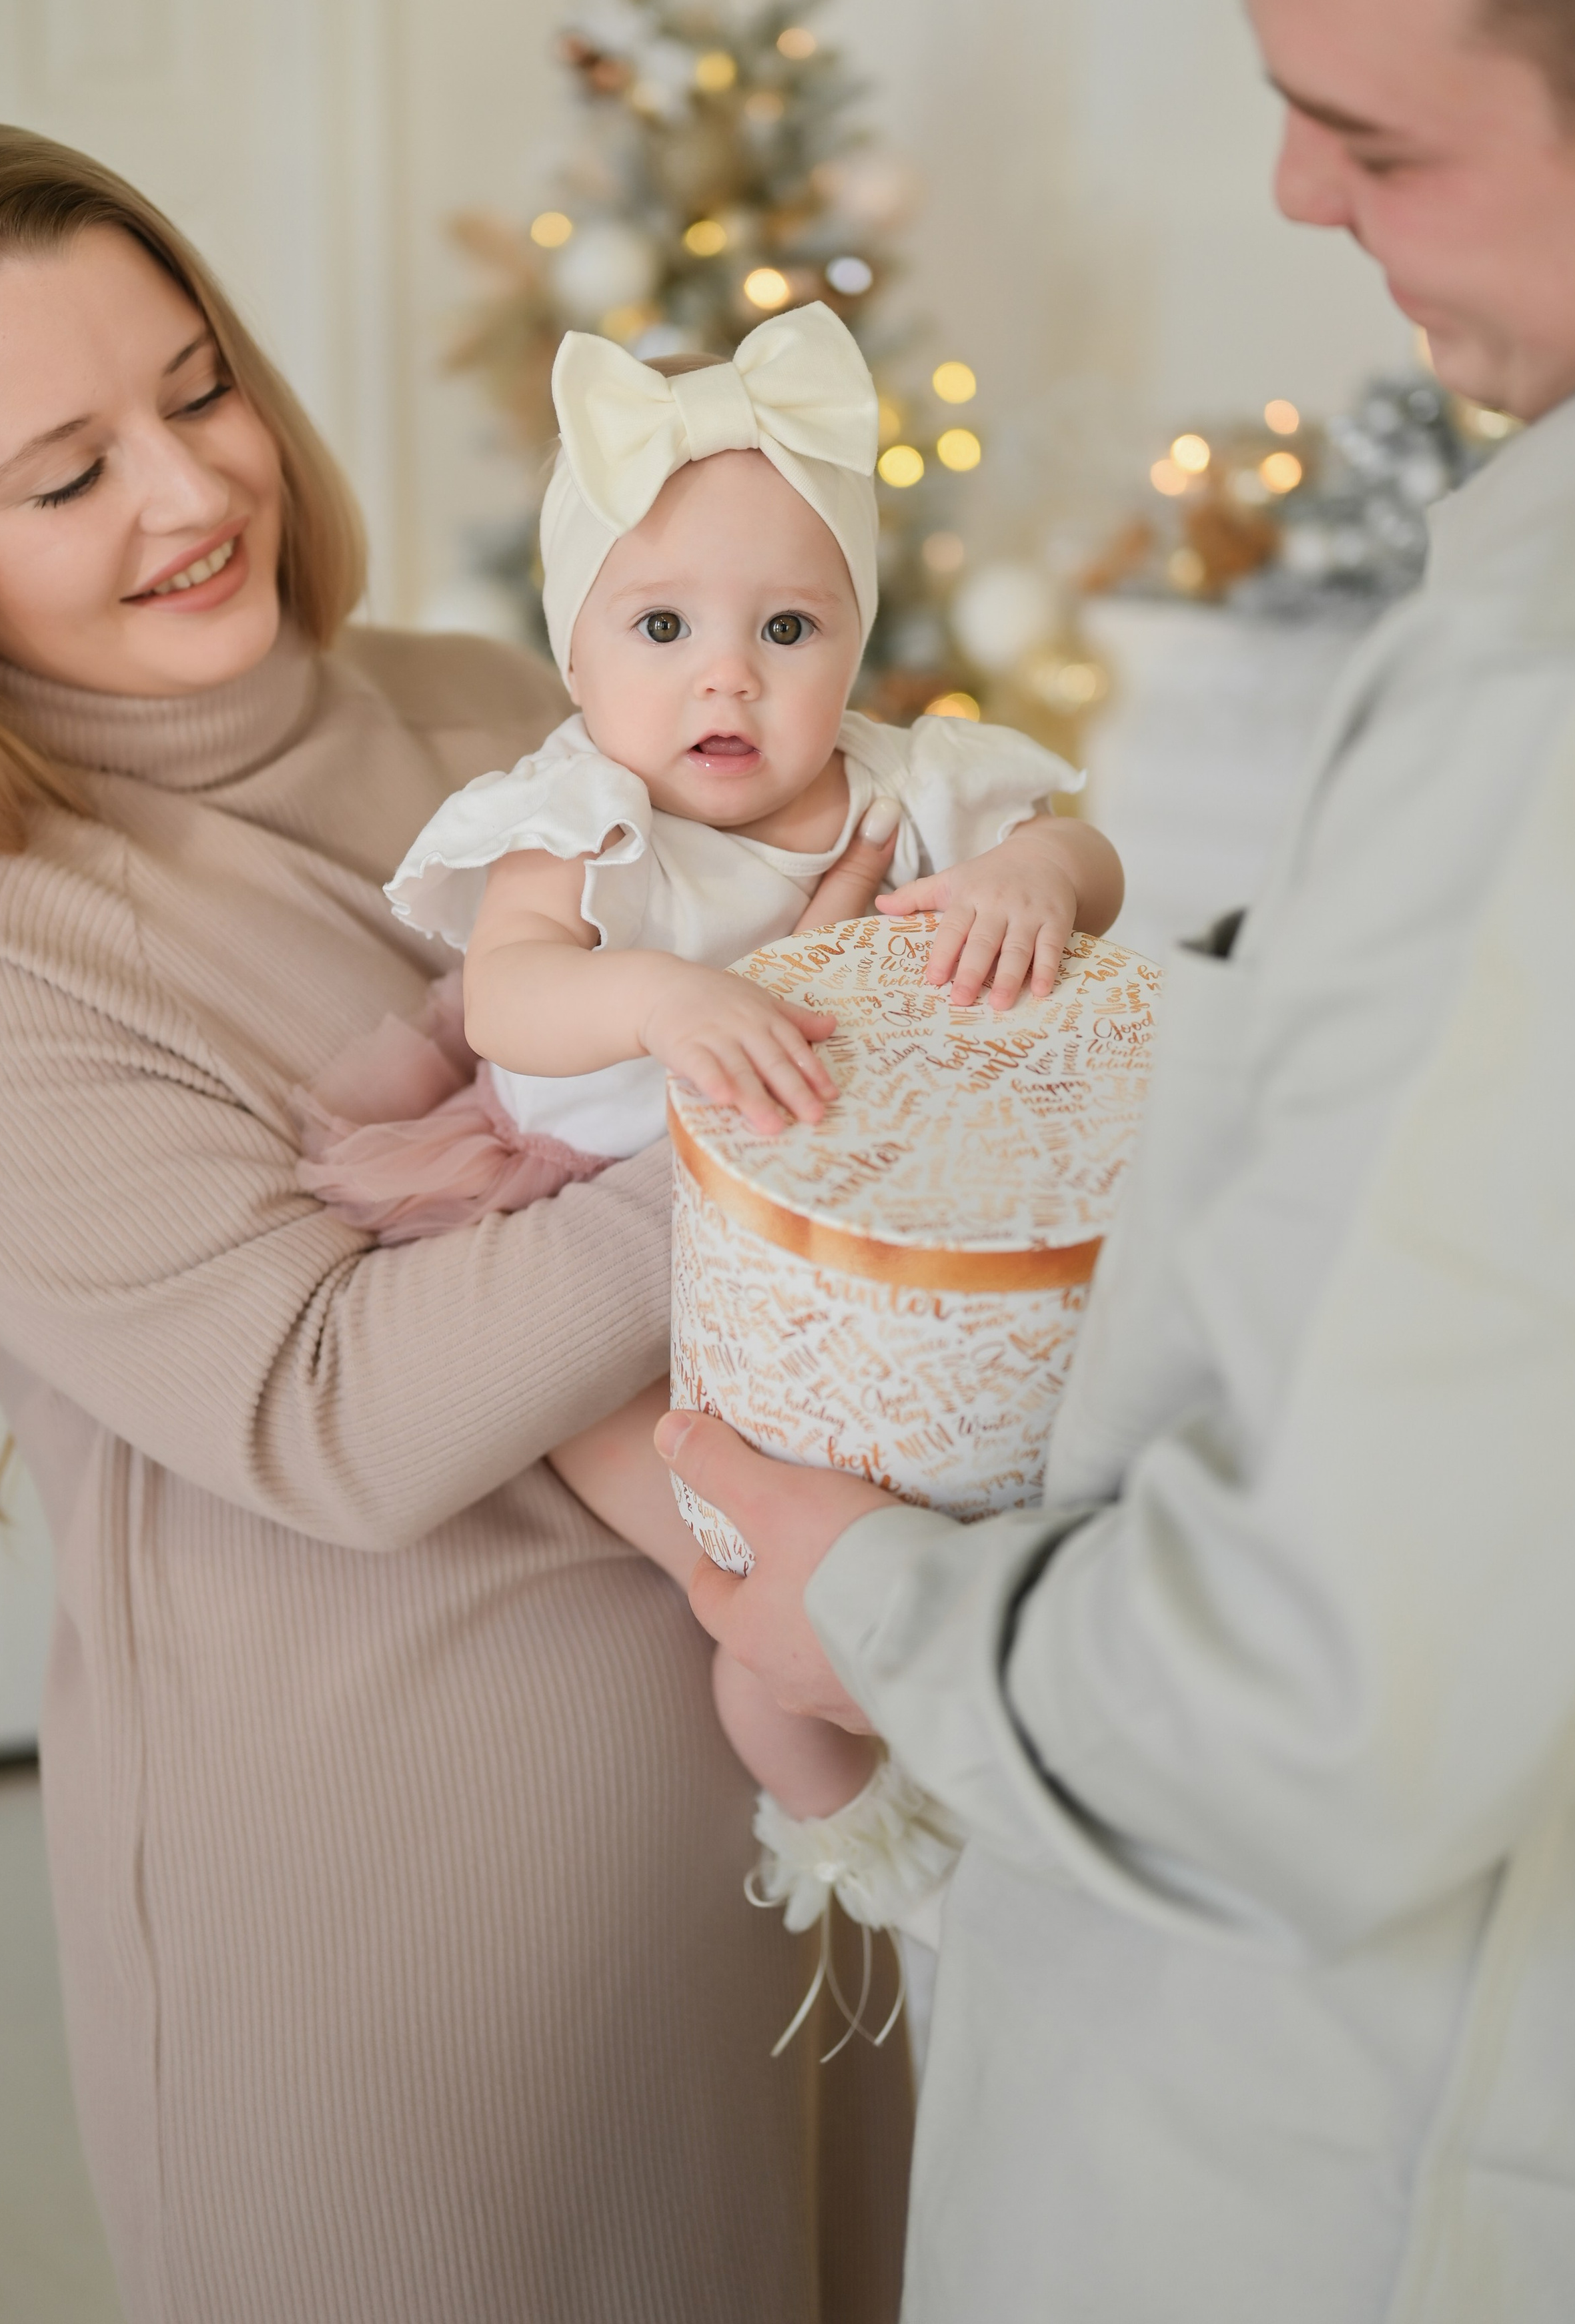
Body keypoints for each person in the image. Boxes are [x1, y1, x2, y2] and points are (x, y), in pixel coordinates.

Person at [661, 0, 1575, 2317]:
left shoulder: (1542, 699)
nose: (1297, 195)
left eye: (1374, 136)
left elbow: (1318, 1704)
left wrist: (873, 1604)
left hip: (1334, 2148)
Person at [0, 115, 914, 2324]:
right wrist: (799, 1074)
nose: (188, 494)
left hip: (775, 1805)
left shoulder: (479, 698)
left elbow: (886, 861)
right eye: (65, 475)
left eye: (196, 388)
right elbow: (330, 1407)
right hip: (402, 1914)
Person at [296, 306, 1121, 1932]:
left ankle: (964, 1767)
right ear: (575, 651)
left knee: (928, 1496)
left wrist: (1033, 876)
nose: (724, 677)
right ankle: (861, 1859)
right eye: (660, 625)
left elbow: (1085, 857)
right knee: (735, 1579)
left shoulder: (906, 786)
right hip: (567, 1202)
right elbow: (507, 996)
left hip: (820, 1235)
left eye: (789, 629)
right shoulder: (583, 813)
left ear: (855, 644)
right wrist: (659, 1001)